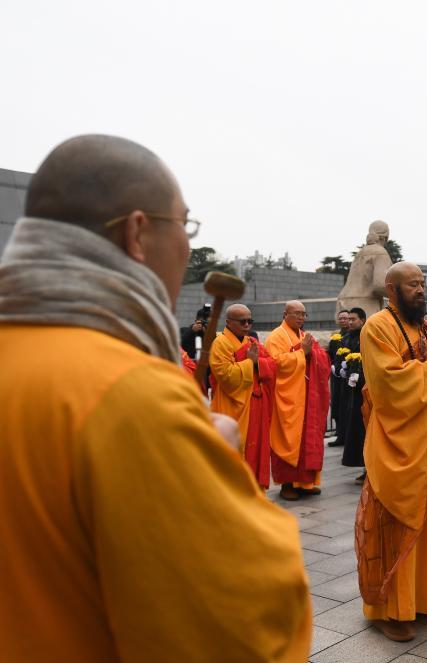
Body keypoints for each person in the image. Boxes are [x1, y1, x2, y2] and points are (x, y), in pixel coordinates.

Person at [0, 134, 311, 661]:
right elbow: (247, 631)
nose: (188, 245)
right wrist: (212, 460)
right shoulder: (133, 397)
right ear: (138, 233)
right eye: (184, 225)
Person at [355, 262, 427, 642]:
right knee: (396, 524)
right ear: (391, 289)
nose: (420, 290)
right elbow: (386, 387)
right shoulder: (377, 327)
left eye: (422, 284)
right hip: (396, 442)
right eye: (412, 285)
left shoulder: (425, 327)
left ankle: (426, 598)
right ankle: (389, 607)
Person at [266, 300, 330, 500]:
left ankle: (306, 483)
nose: (301, 318)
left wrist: (312, 354)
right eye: (297, 314)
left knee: (308, 440)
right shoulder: (275, 337)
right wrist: (303, 353)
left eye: (304, 314)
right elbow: (274, 364)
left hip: (308, 398)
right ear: (285, 314)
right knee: (288, 438)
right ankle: (287, 484)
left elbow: (322, 359)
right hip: (288, 399)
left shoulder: (305, 336)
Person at [209, 304, 278, 489]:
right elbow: (225, 375)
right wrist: (250, 362)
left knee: (255, 448)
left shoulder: (251, 342)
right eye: (242, 321)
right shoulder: (220, 343)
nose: (247, 325)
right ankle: (234, 492)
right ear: (228, 322)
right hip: (232, 404)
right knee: (234, 449)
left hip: (255, 404)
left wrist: (256, 364)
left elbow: (271, 364)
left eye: (250, 321)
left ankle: (255, 491)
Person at [340, 307, 368, 482]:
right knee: (356, 430)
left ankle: (369, 468)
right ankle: (364, 466)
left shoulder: (366, 337)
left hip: (365, 389)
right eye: (348, 319)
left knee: (365, 429)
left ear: (363, 320)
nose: (350, 322)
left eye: (353, 319)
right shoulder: (346, 338)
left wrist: (360, 375)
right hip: (351, 389)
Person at [328, 309, 350, 436]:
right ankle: (339, 432)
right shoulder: (335, 338)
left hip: (348, 376)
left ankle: (345, 432)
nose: (343, 321)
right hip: (336, 375)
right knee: (336, 401)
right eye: (340, 318)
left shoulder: (352, 336)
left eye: (345, 318)